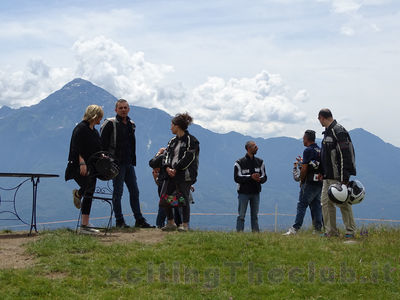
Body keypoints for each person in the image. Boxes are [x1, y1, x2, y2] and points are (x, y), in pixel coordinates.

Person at [101, 99, 153, 228]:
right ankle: (119, 221)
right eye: (121, 108)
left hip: (129, 163)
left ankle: (139, 220)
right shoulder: (110, 124)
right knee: (118, 192)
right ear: (116, 110)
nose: (123, 110)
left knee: (134, 191)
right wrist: (107, 162)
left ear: (129, 109)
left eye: (125, 107)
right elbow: (102, 145)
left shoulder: (131, 124)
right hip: (116, 164)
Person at [157, 112, 200, 232]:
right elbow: (166, 155)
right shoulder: (172, 141)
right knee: (164, 197)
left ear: (177, 126)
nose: (170, 127)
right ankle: (171, 222)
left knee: (184, 199)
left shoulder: (192, 141)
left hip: (185, 175)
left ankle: (185, 225)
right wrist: (167, 167)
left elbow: (189, 157)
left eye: (172, 125)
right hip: (170, 173)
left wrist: (176, 168)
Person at [65, 104, 104, 234]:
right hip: (79, 165)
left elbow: (97, 148)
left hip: (92, 166)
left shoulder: (94, 131)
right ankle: (84, 225)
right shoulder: (80, 129)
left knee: (90, 191)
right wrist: (82, 163)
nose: (100, 119)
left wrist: (102, 155)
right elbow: (76, 147)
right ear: (94, 116)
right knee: (88, 188)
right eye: (99, 117)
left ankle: (85, 223)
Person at [318, 108, 356, 238]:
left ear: (322, 117)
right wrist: (321, 172)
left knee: (342, 202)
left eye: (319, 119)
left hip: (337, 176)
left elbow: (344, 154)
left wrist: (344, 177)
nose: (319, 121)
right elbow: (325, 156)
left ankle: (350, 231)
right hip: (327, 176)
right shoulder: (327, 132)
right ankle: (331, 232)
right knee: (325, 202)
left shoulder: (338, 131)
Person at [284, 130, 323, 235]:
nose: (302, 140)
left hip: (309, 182)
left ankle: (295, 228)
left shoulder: (307, 150)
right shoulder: (320, 150)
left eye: (303, 138)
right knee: (316, 205)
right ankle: (318, 229)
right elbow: (315, 165)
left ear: (306, 138)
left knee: (302, 205)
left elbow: (305, 168)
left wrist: (301, 180)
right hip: (319, 182)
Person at [234, 141, 267, 232]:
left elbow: (264, 177)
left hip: (256, 192)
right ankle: (239, 233)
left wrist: (259, 179)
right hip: (243, 193)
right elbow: (237, 178)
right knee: (241, 215)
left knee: (255, 216)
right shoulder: (239, 162)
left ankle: (256, 234)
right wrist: (250, 177)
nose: (257, 148)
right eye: (254, 146)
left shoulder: (260, 162)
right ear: (249, 148)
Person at [149, 150, 182, 229]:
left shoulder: (164, 160)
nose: (155, 170)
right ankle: (177, 224)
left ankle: (164, 225)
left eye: (155, 169)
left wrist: (158, 153)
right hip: (173, 191)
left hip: (170, 191)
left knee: (166, 205)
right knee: (174, 206)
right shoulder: (170, 164)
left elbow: (152, 162)